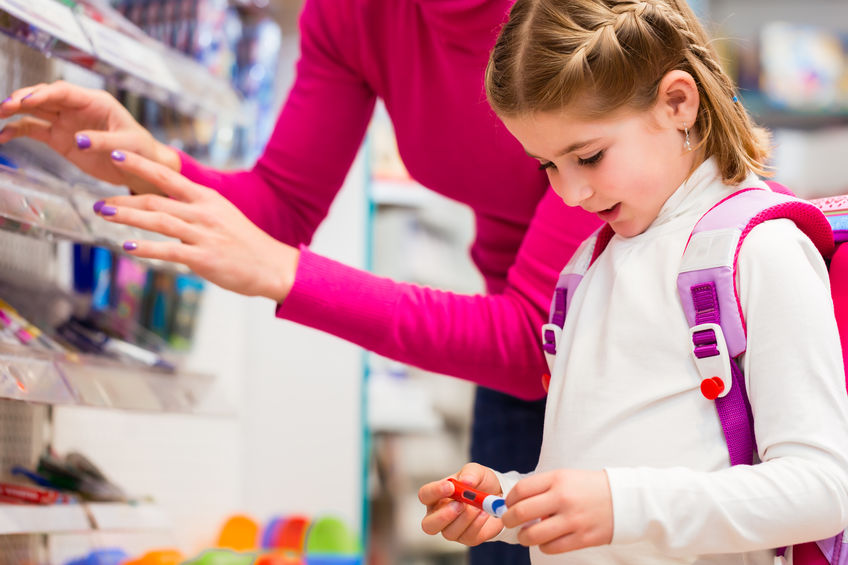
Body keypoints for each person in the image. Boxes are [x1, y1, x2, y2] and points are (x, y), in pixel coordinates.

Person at [0, 1, 601, 563]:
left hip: (632, 348)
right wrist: (146, 165)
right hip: (522, 380)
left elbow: (534, 337)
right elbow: (282, 203)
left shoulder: (575, 18)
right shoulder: (358, 14)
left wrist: (287, 275)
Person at [417, 0, 848, 563]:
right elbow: (609, 483)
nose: (569, 194)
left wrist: (623, 505)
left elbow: (822, 490)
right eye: (547, 165)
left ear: (677, 103)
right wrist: (511, 504)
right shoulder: (585, 269)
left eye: (589, 156)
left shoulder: (760, 250)